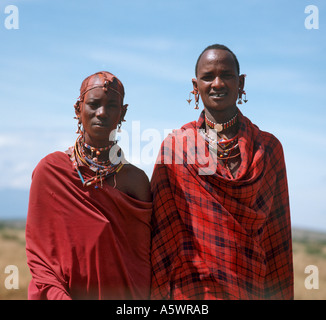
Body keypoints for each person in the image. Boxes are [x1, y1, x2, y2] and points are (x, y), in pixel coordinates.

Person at [150, 44, 294, 300]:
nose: (217, 83)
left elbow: (277, 237)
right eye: (208, 77)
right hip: (190, 293)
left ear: (240, 83)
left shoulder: (269, 148)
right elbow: (160, 232)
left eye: (226, 75)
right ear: (196, 86)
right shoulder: (175, 148)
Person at [26, 71, 152, 300]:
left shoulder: (136, 181)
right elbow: (39, 257)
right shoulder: (50, 172)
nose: (102, 113)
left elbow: (141, 263)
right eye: (94, 104)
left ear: (122, 113)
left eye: (112, 106)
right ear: (78, 109)